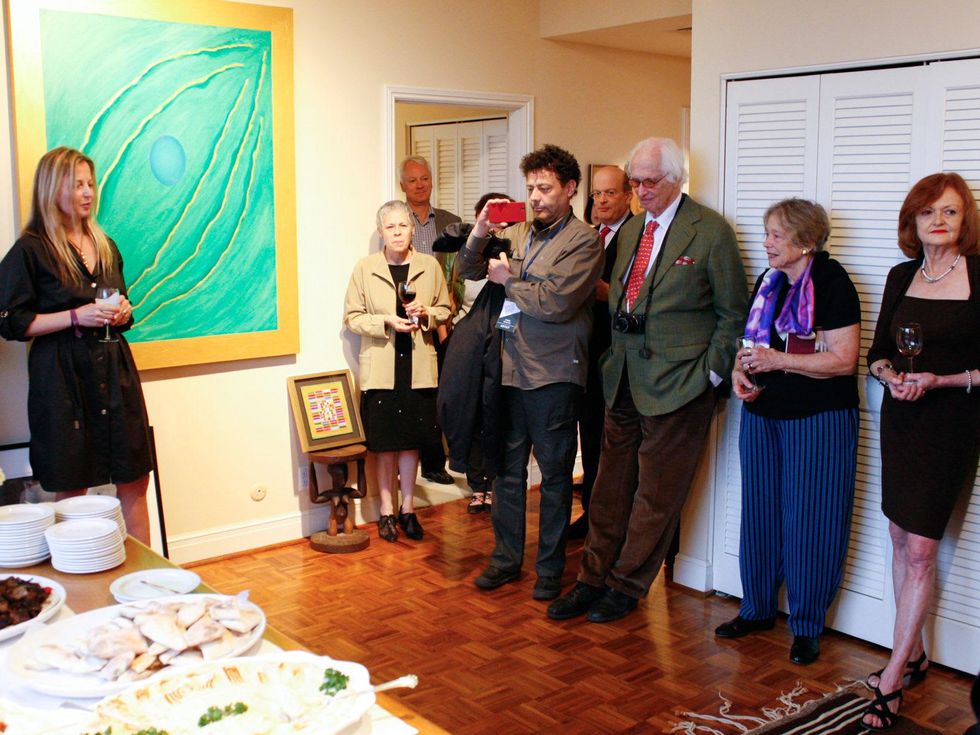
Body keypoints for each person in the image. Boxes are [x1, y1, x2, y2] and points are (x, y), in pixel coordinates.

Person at [547, 137, 747, 624]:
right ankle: (591, 578)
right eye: (634, 181)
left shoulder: (710, 232)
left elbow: (732, 312)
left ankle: (627, 584)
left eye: (649, 182)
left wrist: (712, 373)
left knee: (656, 496)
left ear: (678, 178)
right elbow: (620, 298)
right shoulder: (633, 228)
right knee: (608, 489)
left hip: (681, 385)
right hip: (625, 379)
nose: (640, 190)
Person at [713, 199, 860, 666]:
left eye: (776, 235)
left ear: (807, 241)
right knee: (759, 512)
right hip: (762, 413)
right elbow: (753, 344)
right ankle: (756, 609)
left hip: (818, 420)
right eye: (767, 233)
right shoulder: (769, 281)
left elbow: (843, 360)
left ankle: (806, 625)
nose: (767, 243)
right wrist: (741, 369)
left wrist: (780, 362)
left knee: (810, 521)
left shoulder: (834, 284)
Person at [456, 144, 603, 601]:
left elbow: (556, 304)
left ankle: (549, 571)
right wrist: (481, 231)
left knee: (557, 478)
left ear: (570, 189)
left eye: (545, 188)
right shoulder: (516, 231)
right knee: (506, 473)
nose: (536, 197)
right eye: (530, 188)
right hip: (507, 369)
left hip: (555, 375)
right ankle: (505, 561)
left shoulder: (584, 240)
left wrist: (509, 282)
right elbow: (467, 268)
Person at [863, 172, 980, 730]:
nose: (939, 221)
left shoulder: (979, 275)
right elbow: (879, 353)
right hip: (901, 419)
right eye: (928, 211)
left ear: (965, 220)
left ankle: (891, 679)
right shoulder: (900, 275)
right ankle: (913, 653)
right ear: (912, 221)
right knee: (897, 534)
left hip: (951, 422)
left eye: (951, 212)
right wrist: (890, 378)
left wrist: (942, 380)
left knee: (921, 550)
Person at [0, 147, 152, 543]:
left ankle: (149, 583)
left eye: (90, 184)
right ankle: (83, 586)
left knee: (134, 480)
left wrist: (121, 312)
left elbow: (125, 304)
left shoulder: (105, 245)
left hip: (114, 371)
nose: (88, 193)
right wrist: (74, 316)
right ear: (53, 189)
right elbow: (12, 322)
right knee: (72, 488)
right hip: (63, 380)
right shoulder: (31, 250)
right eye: (77, 185)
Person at [344, 200, 451, 543]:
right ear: (381, 232)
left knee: (411, 443)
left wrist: (427, 314)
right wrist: (385, 321)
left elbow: (445, 309)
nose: (397, 233)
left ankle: (408, 509)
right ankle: (386, 511)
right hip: (382, 367)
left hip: (418, 365)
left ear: (412, 230)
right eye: (390, 227)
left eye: (403, 226)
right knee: (385, 444)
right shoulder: (365, 268)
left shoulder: (430, 266)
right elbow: (353, 317)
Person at [433, 192, 516, 514]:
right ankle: (476, 484)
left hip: (503, 340)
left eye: (502, 211)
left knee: (494, 410)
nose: (496, 219)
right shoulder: (464, 251)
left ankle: (493, 484)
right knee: (466, 410)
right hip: (466, 342)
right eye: (489, 212)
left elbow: (514, 303)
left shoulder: (517, 250)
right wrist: (446, 336)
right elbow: (451, 293)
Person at [570, 165, 634, 540]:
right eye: (597, 194)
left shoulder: (638, 236)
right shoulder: (590, 235)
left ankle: (613, 523)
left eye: (611, 193)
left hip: (618, 355)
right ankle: (591, 515)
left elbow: (637, 299)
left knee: (616, 443)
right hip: (584, 354)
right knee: (589, 436)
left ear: (628, 196)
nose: (602, 200)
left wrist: (600, 289)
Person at [399, 155, 461, 485]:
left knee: (440, 393)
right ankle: (407, 458)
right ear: (402, 186)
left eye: (425, 178)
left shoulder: (451, 221)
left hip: (441, 319)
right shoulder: (396, 221)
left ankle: (435, 463)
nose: (420, 184)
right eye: (412, 180)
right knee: (412, 394)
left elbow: (459, 274)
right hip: (406, 320)